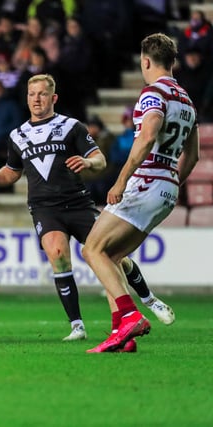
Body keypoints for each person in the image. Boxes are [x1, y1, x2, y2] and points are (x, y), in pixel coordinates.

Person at [0, 73, 176, 343]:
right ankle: (77, 326)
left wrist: (88, 162)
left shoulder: (71, 127)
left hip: (78, 203)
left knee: (113, 255)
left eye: (42, 94)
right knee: (58, 254)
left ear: (53, 98)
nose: (36, 99)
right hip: (44, 207)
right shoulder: (17, 135)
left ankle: (149, 299)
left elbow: (100, 159)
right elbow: (12, 172)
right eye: (32, 94)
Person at [81, 33, 199, 353]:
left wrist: (120, 182)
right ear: (172, 62)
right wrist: (172, 183)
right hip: (166, 189)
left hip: (145, 181)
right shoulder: (186, 100)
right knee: (114, 256)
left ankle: (130, 316)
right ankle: (123, 335)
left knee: (91, 250)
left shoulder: (153, 93)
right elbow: (194, 154)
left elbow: (147, 136)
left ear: (145, 61)